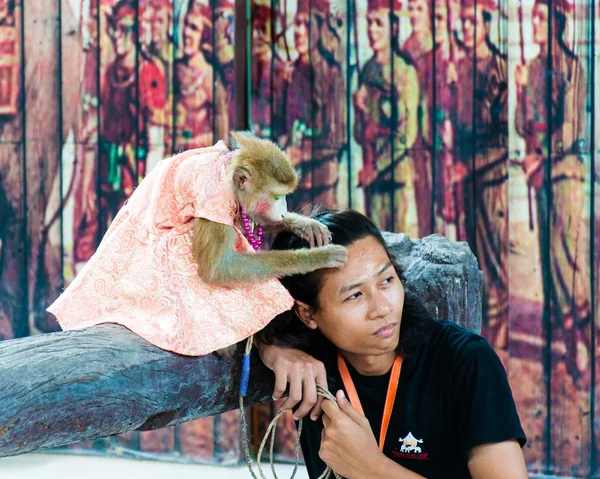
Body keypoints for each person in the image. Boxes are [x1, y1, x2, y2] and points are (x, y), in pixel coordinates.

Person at [255, 209, 528, 478]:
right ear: (307, 314)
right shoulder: (311, 362)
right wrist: (270, 347)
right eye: (355, 295)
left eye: (386, 280)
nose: (382, 307)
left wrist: (373, 469)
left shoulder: (465, 360)